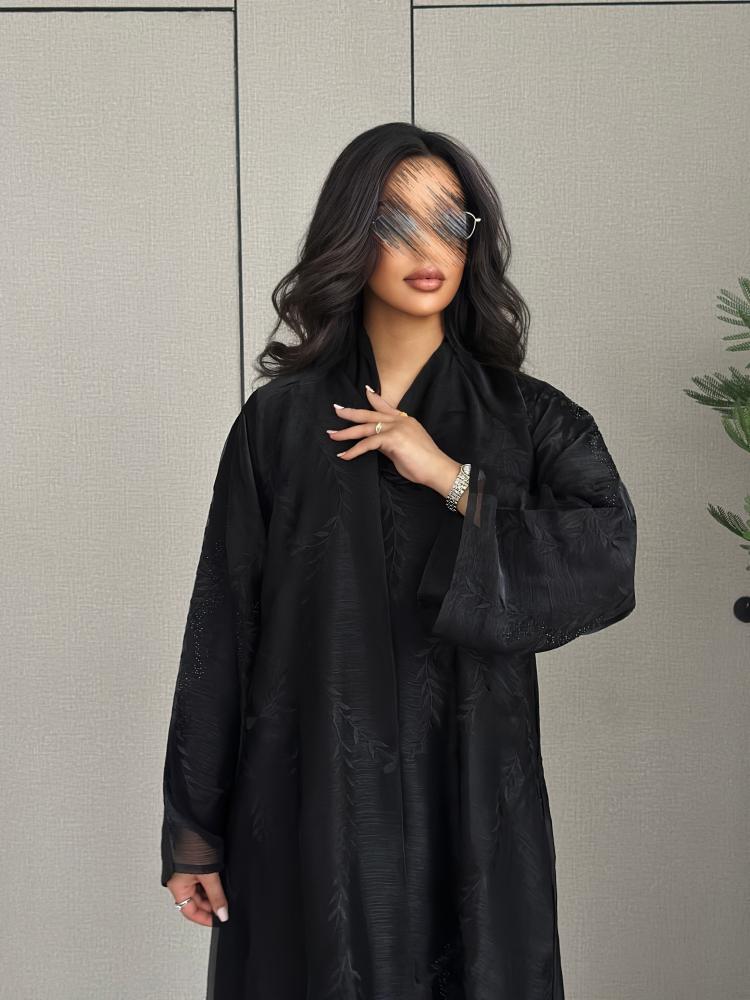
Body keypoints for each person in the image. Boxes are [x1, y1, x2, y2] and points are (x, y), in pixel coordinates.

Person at [159, 122, 637, 1000]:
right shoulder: (279, 425)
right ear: (353, 235)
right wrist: (195, 828)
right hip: (313, 794)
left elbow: (606, 556)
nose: (428, 250)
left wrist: (452, 478)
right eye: (395, 222)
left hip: (474, 789)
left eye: (450, 221)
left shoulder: (532, 419)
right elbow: (223, 626)